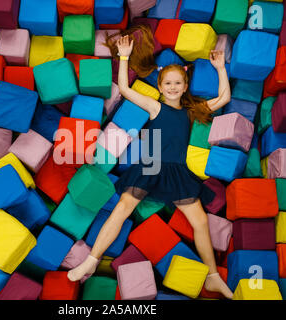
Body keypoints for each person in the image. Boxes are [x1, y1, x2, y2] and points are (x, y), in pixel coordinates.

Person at [67, 33, 234, 299]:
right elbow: (124, 89)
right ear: (159, 84)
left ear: (185, 84)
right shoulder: (155, 107)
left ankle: (213, 276)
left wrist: (220, 68)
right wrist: (123, 57)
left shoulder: (191, 112)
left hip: (177, 170)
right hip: (151, 164)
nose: (172, 87)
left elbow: (223, 98)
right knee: (122, 209)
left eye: (178, 83)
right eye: (168, 83)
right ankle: (92, 259)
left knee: (200, 221)